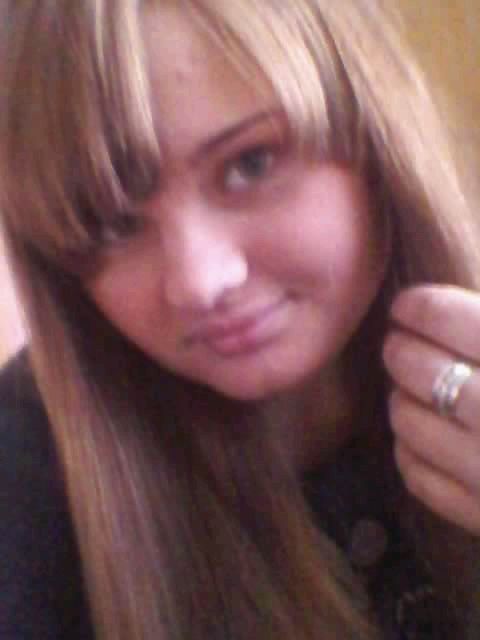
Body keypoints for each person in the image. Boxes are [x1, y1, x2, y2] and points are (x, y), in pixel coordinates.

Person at [0, 1, 479, 638]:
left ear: (374, 131)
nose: (199, 283)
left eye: (250, 164)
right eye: (113, 222)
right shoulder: (27, 470)